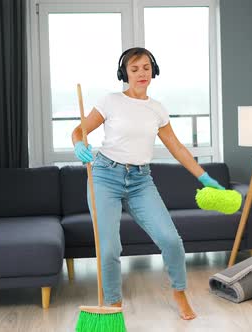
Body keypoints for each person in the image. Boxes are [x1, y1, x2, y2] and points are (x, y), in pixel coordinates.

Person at [71, 47, 225, 320]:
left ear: (153, 70)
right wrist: (79, 143)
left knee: (171, 240)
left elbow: (176, 147)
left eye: (145, 67)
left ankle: (179, 292)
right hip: (105, 176)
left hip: (141, 180)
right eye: (134, 69)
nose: (141, 73)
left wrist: (203, 176)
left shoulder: (157, 109)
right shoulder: (110, 101)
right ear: (124, 74)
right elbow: (77, 130)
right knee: (108, 248)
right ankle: (114, 305)